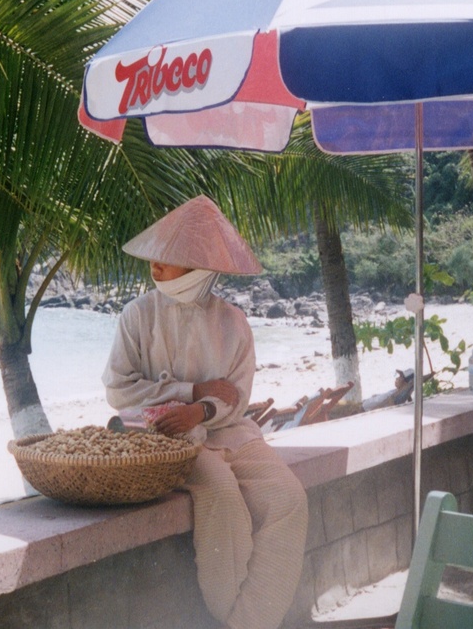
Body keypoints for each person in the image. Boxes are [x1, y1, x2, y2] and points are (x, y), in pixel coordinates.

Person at [102, 196, 309, 629]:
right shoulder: (136, 316)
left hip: (232, 433)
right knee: (224, 502)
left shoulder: (233, 322)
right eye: (155, 257)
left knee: (289, 498)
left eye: (169, 258)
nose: (156, 266)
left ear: (199, 269)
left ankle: (248, 623)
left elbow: (238, 393)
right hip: (169, 445)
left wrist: (202, 411)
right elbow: (119, 390)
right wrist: (190, 393)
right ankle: (239, 620)